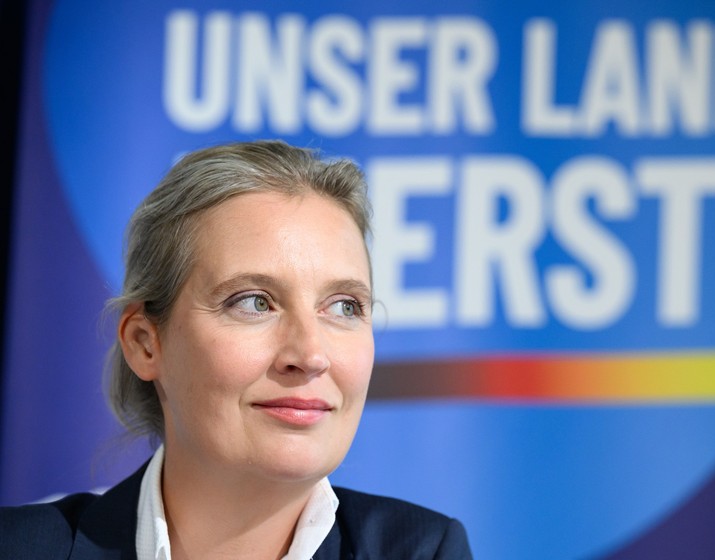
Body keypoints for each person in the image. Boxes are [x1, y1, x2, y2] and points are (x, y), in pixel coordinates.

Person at [0, 140, 473, 559]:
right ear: (146, 344)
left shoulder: (422, 550)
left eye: (345, 306)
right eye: (253, 302)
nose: (310, 355)